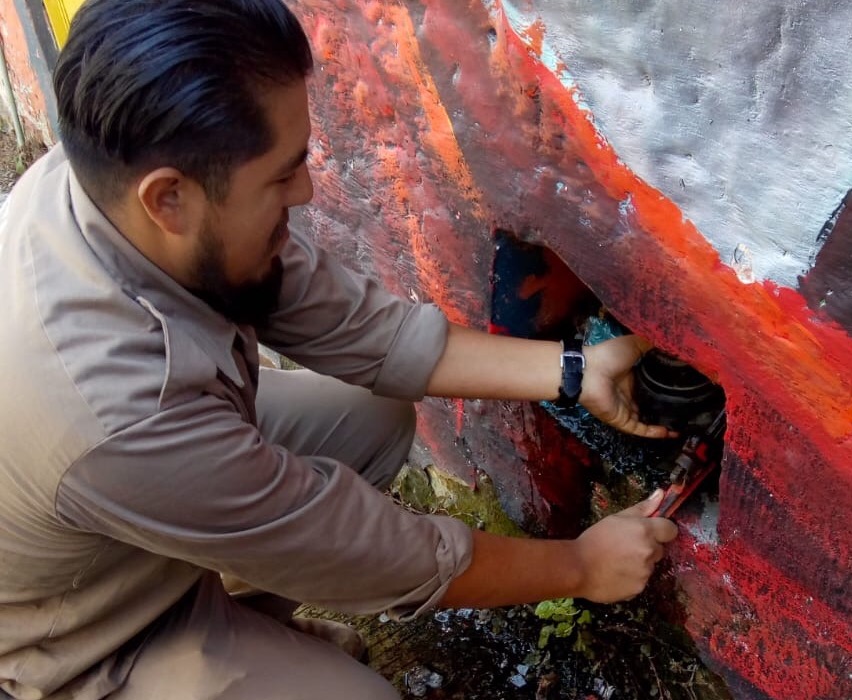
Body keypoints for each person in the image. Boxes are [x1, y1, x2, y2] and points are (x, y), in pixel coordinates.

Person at [0, 1, 679, 698]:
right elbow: (372, 558)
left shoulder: (113, 178)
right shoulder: (121, 412)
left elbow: (357, 327)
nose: (306, 189)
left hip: (133, 504)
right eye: (282, 175)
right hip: (84, 627)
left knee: (373, 420)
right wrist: (581, 568)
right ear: (168, 200)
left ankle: (243, 617)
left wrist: (575, 371)